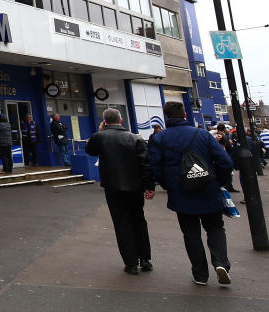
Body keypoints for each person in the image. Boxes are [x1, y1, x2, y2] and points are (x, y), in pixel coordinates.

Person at [150, 101, 233, 286]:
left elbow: (155, 168)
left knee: (191, 233)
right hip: (208, 188)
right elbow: (225, 162)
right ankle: (220, 263)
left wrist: (167, 184)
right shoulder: (203, 134)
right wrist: (220, 182)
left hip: (181, 192)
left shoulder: (160, 138)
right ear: (185, 116)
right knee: (215, 228)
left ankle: (200, 274)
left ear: (166, 117)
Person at [85, 108, 155, 275]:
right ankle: (145, 259)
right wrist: (149, 186)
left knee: (121, 223)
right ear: (121, 120)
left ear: (105, 122)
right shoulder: (135, 138)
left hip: (113, 187)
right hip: (135, 187)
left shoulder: (99, 137)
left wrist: (100, 131)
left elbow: (90, 150)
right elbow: (146, 164)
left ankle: (130, 263)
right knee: (139, 220)